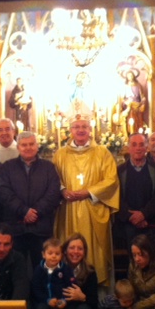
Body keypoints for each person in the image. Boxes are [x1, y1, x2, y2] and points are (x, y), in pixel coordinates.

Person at [53, 115, 120, 286]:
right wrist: (63, 190)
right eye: (76, 127)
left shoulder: (102, 153)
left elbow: (111, 180)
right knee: (70, 246)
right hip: (68, 210)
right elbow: (52, 178)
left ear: (90, 129)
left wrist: (88, 192)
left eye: (84, 126)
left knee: (94, 252)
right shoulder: (60, 154)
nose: (81, 130)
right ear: (71, 130)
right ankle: (66, 286)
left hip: (94, 209)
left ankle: (95, 290)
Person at [0, 131, 61, 270]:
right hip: (16, 227)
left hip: (41, 228)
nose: (28, 148)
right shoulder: (8, 167)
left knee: (42, 269)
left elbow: (53, 193)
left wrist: (35, 212)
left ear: (37, 146)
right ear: (18, 147)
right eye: (24, 145)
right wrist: (23, 211)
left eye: (31, 144)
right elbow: (4, 193)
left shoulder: (48, 167)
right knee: (15, 269)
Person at [115, 132, 155, 251]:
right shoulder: (119, 171)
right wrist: (130, 216)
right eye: (134, 144)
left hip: (152, 224)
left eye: (141, 144)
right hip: (128, 226)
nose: (138, 148)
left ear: (147, 147)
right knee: (135, 264)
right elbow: (115, 197)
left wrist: (144, 214)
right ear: (128, 148)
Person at [121, 69, 147, 134]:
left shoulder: (138, 85)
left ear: (134, 76)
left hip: (136, 104)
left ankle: (137, 132)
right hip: (129, 105)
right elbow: (123, 98)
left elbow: (142, 96)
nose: (130, 77)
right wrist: (126, 102)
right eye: (129, 76)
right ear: (127, 77)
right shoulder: (125, 86)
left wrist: (143, 101)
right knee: (130, 118)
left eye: (131, 75)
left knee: (137, 119)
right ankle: (130, 132)